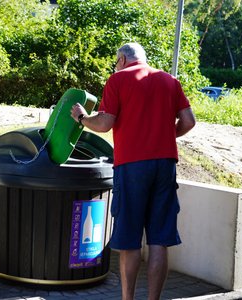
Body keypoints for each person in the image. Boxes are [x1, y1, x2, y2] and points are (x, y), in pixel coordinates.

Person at [70, 42, 196, 300]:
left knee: (129, 238)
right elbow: (189, 121)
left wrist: (82, 118)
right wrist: (162, 136)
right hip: (164, 165)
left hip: (132, 166)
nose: (115, 66)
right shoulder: (169, 80)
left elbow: (105, 123)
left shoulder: (118, 80)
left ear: (122, 60)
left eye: (116, 62)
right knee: (159, 239)